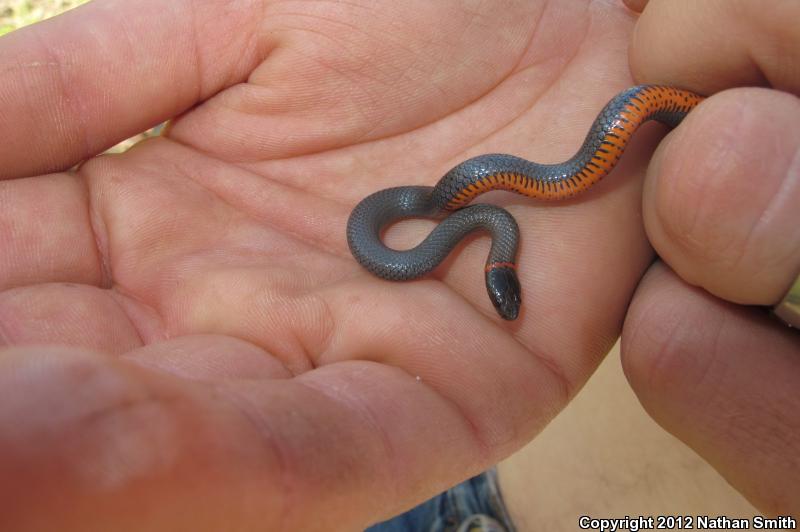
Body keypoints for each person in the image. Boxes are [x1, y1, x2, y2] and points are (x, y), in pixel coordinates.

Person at [0, 0, 796, 530]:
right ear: (500, 272)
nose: (505, 295)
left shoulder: (494, 221)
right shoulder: (485, 219)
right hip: (465, 480)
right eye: (504, 292)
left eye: (504, 291)